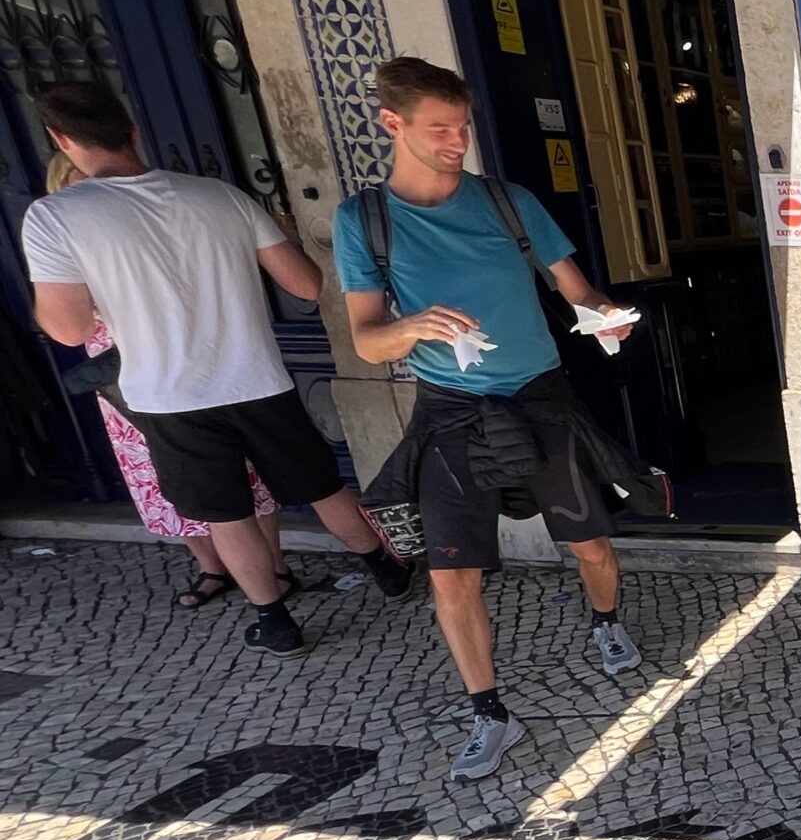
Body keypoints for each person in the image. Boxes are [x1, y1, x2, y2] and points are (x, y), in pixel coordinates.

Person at [338, 56, 658, 781]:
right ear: (394, 125)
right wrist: (414, 325)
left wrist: (609, 318)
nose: (457, 142)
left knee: (594, 548)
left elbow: (579, 290)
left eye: (464, 127)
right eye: (440, 129)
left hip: (542, 399)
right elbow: (366, 337)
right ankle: (490, 713)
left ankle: (607, 624)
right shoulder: (365, 220)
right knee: (453, 578)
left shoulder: (506, 200)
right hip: (449, 413)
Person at [22, 82, 408, 655]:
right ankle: (388, 570)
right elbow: (305, 285)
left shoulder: (54, 218)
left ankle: (274, 621)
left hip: (167, 394)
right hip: (259, 379)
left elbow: (71, 330)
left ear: (60, 139)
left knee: (226, 514)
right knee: (324, 488)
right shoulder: (220, 196)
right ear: (133, 130)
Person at [43, 153, 287, 608]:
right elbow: (68, 320)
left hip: (197, 362)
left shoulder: (146, 220)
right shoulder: (62, 237)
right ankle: (213, 567)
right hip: (127, 376)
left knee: (241, 470)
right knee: (156, 473)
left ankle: (272, 569)